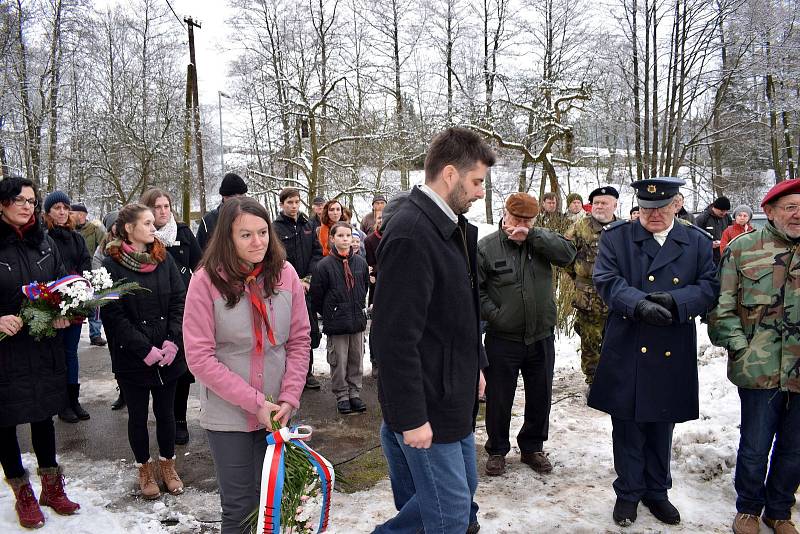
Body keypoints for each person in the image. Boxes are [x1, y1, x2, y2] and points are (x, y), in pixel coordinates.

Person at [371, 127, 494, 534]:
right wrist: (411, 418)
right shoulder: (412, 233)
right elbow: (392, 339)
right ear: (449, 174)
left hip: (452, 395)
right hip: (426, 404)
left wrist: (476, 363)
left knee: (448, 502)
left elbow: (456, 316)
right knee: (449, 515)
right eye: (477, 182)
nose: (480, 193)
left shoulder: (450, 226)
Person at [588, 177, 719, 527]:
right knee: (628, 426)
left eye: (662, 207)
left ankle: (657, 491)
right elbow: (605, 279)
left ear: (677, 204)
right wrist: (638, 304)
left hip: (671, 343)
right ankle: (629, 492)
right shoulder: (617, 238)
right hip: (629, 339)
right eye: (646, 208)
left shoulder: (695, 241)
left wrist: (677, 301)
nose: (653, 214)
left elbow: (709, 285)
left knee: (663, 422)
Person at [183, 197, 310, 534]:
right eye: (246, 235)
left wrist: (289, 397)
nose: (258, 242)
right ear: (227, 238)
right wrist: (254, 403)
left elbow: (299, 341)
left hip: (278, 409)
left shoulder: (285, 275)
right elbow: (199, 357)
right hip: (228, 414)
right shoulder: (205, 282)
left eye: (263, 232)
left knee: (276, 500)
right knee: (240, 508)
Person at [709, 179, 800, 534]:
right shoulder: (744, 248)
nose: (797, 214)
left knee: (795, 449)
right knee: (755, 444)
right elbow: (722, 306)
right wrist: (738, 346)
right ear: (770, 212)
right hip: (759, 365)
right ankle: (748, 508)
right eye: (790, 207)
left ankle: (779, 511)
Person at [0, 178, 80, 529]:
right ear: (2, 203)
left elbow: (63, 282)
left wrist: (65, 309)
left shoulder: (44, 243)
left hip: (43, 344)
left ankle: (50, 486)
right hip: (6, 351)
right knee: (5, 420)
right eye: (18, 199)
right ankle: (23, 492)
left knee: (44, 414)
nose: (26, 205)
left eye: (32, 200)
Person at [478, 193, 576, 477]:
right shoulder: (487, 247)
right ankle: (497, 449)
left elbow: (568, 255)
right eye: (516, 219)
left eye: (527, 220)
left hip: (540, 335)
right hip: (502, 338)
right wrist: (495, 315)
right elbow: (477, 290)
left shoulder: (542, 242)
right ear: (504, 214)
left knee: (540, 395)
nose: (520, 225)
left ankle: (532, 447)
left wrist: (534, 235)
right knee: (498, 397)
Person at [101, 204, 187, 499]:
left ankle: (167, 465)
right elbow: (111, 313)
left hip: (168, 354)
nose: (154, 228)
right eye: (148, 223)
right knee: (137, 417)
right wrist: (143, 349)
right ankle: (144, 469)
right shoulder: (108, 266)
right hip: (133, 358)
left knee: (166, 414)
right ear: (129, 229)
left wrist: (173, 341)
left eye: (154, 223)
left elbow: (179, 299)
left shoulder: (164, 259)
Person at [140, 188, 202, 446]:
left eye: (167, 206)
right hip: (153, 310)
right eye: (157, 207)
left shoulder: (184, 232)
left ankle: (179, 420)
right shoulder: (143, 237)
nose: (163, 211)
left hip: (183, 308)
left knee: (181, 367)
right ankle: (162, 417)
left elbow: (200, 263)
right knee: (156, 366)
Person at [43, 191, 93, 424]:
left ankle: (73, 399)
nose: (62, 212)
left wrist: (81, 286)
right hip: (53, 302)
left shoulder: (77, 238)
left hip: (75, 300)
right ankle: (61, 401)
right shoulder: (44, 237)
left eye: (65, 207)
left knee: (71, 353)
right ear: (48, 212)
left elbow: (85, 262)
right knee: (57, 353)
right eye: (57, 208)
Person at [309, 222, 370, 415]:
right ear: (332, 239)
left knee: (356, 359)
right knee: (339, 361)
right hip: (337, 322)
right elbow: (317, 296)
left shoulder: (360, 263)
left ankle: (354, 392)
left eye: (348, 235)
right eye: (341, 236)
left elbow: (364, 287)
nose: (345, 239)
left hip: (356, 321)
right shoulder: (324, 265)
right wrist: (331, 311)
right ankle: (342, 395)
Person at [564, 186, 619, 388]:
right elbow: (565, 256)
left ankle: (613, 378)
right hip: (588, 298)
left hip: (617, 297)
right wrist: (580, 278)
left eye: (604, 203)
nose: (599, 207)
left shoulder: (623, 228)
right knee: (590, 341)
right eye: (596, 203)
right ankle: (593, 382)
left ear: (615, 204)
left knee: (615, 339)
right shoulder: (580, 227)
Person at [273, 187, 323, 390]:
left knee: (306, 330)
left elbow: (317, 253)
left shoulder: (307, 225)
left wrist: (308, 278)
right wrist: (294, 280)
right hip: (285, 287)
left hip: (307, 287)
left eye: (296, 202)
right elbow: (276, 257)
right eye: (289, 202)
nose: (294, 206)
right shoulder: (275, 228)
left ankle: (306, 371)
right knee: (286, 330)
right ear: (282, 204)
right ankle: (285, 373)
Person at [94, 212, 126, 411]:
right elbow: (98, 278)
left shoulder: (131, 244)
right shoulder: (102, 250)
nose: (117, 227)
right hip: (110, 304)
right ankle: (123, 389)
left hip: (131, 304)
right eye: (114, 224)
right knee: (116, 349)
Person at [70, 202, 107, 347]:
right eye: (73, 213)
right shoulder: (69, 230)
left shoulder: (94, 229)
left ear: (84, 215)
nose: (76, 216)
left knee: (95, 304)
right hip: (74, 272)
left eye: (79, 213)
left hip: (92, 270)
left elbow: (103, 246)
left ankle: (95, 334)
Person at [197, 172, 248, 250]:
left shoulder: (254, 216)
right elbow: (199, 254)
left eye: (241, 196)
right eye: (232, 197)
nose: (238, 200)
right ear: (224, 197)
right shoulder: (209, 221)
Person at [695, 196, 732, 264]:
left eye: (726, 211)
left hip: (723, 257)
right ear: (715, 208)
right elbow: (695, 238)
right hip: (708, 258)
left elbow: (730, 234)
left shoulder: (727, 217)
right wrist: (709, 244)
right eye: (722, 211)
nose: (724, 213)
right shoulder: (703, 218)